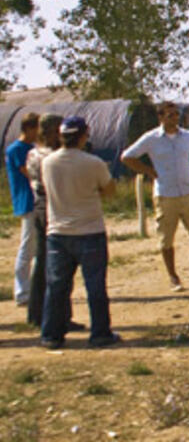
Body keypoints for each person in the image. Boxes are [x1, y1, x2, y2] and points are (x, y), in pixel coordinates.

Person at [120, 101, 189, 291]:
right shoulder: (151, 138)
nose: (175, 119)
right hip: (165, 194)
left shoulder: (188, 136)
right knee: (166, 237)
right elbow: (127, 157)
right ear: (160, 117)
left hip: (187, 193)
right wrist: (149, 171)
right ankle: (173, 277)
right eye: (170, 115)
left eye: (177, 115)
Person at [41, 116, 119, 349]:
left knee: (57, 286)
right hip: (89, 229)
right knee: (95, 285)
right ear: (84, 135)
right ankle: (100, 333)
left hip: (57, 231)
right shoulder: (93, 163)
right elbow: (109, 190)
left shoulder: (48, 162)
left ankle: (52, 334)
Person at [24, 114, 81, 330]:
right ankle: (57, 316)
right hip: (54, 208)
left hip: (41, 207)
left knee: (44, 262)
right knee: (60, 265)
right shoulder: (51, 156)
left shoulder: (33, 154)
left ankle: (38, 312)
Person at [5, 112, 38, 307]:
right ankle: (22, 292)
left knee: (34, 247)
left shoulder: (30, 148)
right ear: (29, 128)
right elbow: (29, 172)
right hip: (27, 200)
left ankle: (31, 289)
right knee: (27, 247)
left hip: (33, 200)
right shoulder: (17, 149)